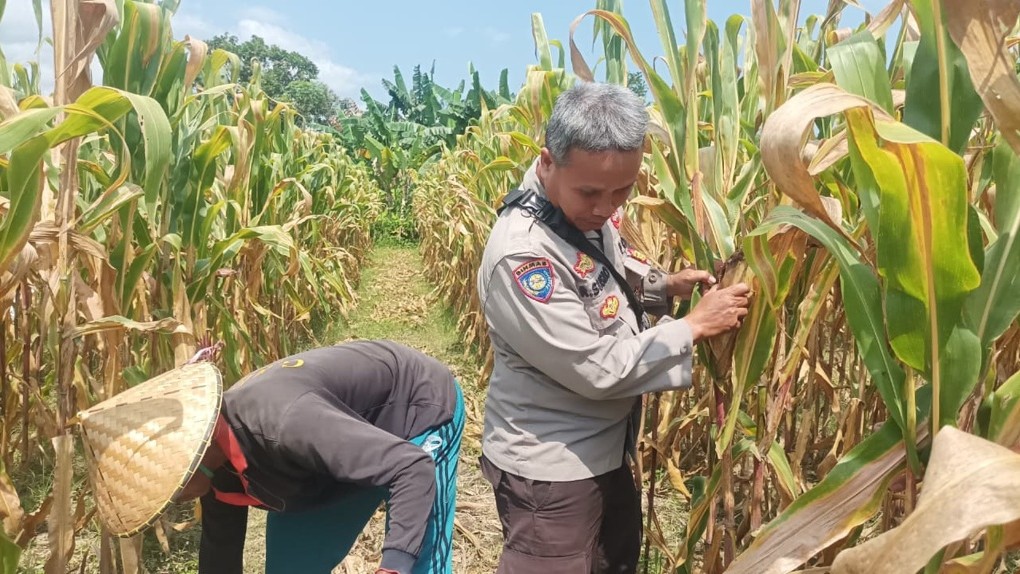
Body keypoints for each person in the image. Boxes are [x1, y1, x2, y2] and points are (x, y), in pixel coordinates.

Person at [476, 81, 751, 573]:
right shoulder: (523, 255)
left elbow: (603, 270)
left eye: (622, 190)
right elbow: (596, 369)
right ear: (546, 162)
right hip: (550, 470)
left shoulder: (574, 209)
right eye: (591, 193)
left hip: (602, 450)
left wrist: (663, 287)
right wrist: (692, 326)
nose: (606, 208)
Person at [77, 340, 464, 574]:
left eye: (168, 492)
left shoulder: (286, 425)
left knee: (417, 563)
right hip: (334, 451)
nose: (171, 502)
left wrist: (392, 566)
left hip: (415, 416)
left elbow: (412, 469)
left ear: (189, 458)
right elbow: (220, 554)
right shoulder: (215, 464)